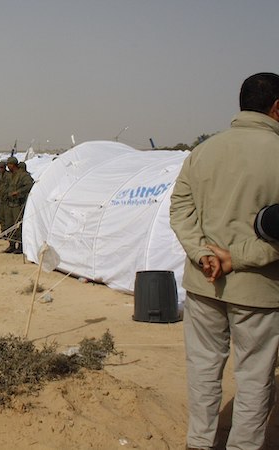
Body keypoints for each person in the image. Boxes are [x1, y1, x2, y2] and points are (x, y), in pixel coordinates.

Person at [169, 72, 279, 450]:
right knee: (254, 376)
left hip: (203, 284)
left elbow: (180, 209)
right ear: (277, 107)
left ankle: (199, 442)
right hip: (259, 291)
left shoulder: (203, 151)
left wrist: (202, 253)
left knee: (203, 368)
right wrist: (242, 258)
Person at [0, 157, 33, 254]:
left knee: (18, 226)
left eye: (9, 164)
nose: (8, 166)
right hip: (8, 204)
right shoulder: (9, 176)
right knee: (9, 225)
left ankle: (21, 246)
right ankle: (12, 245)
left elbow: (29, 186)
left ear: (13, 165)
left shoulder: (23, 175)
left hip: (18, 204)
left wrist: (18, 192)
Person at [0, 158, 9, 236]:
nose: (0, 169)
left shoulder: (8, 176)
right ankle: (3, 232)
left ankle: (8, 233)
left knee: (7, 218)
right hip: (1, 200)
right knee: (1, 217)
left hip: (7, 200)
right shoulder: (1, 176)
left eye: (2, 167)